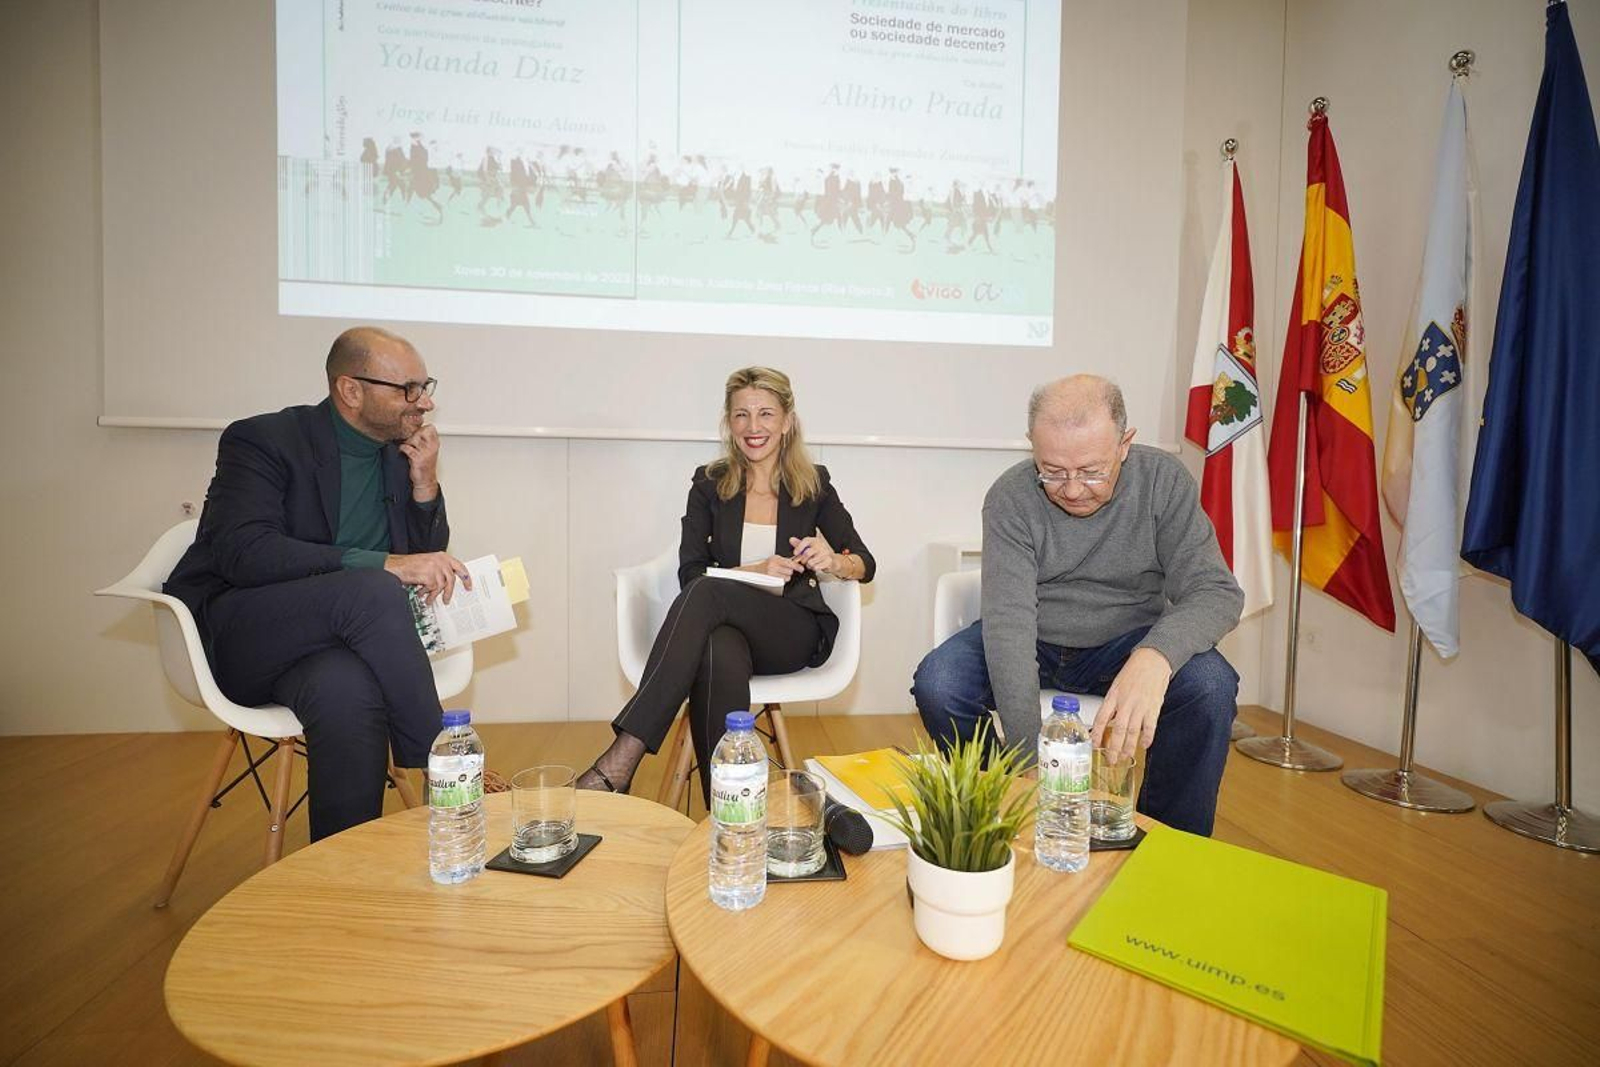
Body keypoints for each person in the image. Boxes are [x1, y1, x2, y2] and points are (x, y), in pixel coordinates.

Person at [164, 327, 472, 841]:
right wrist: (384, 564)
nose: (426, 402)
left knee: (344, 691)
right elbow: (243, 552)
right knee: (374, 587)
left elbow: (422, 554)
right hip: (250, 635)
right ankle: (445, 767)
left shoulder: (396, 454)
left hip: (334, 651)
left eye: (426, 385)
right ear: (350, 390)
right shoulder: (262, 440)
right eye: (409, 389)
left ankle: (342, 872)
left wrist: (425, 484)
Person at [912, 376, 1244, 836]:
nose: (1072, 490)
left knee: (1210, 685)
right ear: (1032, 446)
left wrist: (1155, 657)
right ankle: (997, 802)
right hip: (1036, 636)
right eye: (1052, 471)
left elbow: (1216, 590)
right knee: (939, 682)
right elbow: (1009, 625)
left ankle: (1170, 841)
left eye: (1092, 471)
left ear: (1125, 444)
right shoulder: (1010, 496)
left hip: (1127, 642)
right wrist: (1029, 767)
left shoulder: (1163, 482)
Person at [577, 367, 876, 803]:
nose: (753, 428)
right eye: (741, 415)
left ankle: (624, 753)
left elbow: (865, 563)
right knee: (717, 646)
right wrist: (750, 568)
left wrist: (834, 561)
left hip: (791, 629)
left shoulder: (813, 483)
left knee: (707, 594)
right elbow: (689, 572)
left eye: (766, 414)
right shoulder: (709, 482)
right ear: (728, 422)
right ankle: (729, 808)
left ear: (787, 421)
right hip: (729, 629)